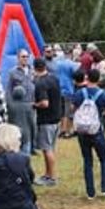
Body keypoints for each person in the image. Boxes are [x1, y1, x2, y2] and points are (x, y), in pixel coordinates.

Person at [71, 69, 105, 199]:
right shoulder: (103, 95)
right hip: (96, 130)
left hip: (82, 131)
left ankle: (90, 191)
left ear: (86, 78)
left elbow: (72, 109)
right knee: (104, 159)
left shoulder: (79, 93)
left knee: (88, 160)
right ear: (99, 79)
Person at [33, 58, 62, 186]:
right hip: (56, 117)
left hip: (46, 120)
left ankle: (51, 177)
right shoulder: (54, 78)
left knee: (47, 149)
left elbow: (44, 103)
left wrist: (34, 104)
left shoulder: (40, 83)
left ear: (34, 68)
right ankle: (48, 173)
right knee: (51, 148)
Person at [8, 50, 36, 153]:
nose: (25, 59)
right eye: (23, 57)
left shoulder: (32, 71)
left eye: (27, 57)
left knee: (32, 126)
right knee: (19, 128)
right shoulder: (13, 72)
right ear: (18, 58)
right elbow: (9, 90)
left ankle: (32, 147)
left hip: (31, 103)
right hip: (19, 104)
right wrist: (10, 105)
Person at [8, 86, 33, 156]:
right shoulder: (28, 107)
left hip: (13, 134)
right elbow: (32, 123)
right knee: (25, 157)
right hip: (26, 134)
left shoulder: (10, 106)